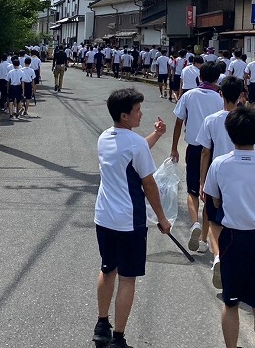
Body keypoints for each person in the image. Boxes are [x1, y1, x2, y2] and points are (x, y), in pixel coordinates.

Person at [93, 88, 171, 348]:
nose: (141, 114)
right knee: (127, 278)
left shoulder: (105, 137)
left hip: (104, 217)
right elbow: (149, 185)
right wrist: (162, 218)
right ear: (124, 116)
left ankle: (102, 324)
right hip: (129, 220)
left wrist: (156, 135)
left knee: (107, 269)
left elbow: (133, 153)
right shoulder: (134, 143)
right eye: (137, 110)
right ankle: (118, 339)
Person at [202, 107, 255, 348]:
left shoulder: (220, 164)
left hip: (232, 239)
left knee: (230, 302)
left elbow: (213, 201)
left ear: (229, 134)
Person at [199, 77, 253, 289]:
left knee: (214, 221)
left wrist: (203, 181)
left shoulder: (211, 120)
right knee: (240, 218)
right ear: (241, 95)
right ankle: (239, 260)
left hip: (218, 173)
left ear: (220, 94)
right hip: (243, 174)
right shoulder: (248, 119)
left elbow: (205, 152)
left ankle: (219, 256)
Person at [170, 61, 224, 254]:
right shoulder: (219, 99)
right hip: (213, 150)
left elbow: (178, 122)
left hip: (194, 148)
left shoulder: (189, 96)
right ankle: (203, 239)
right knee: (209, 194)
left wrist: (174, 147)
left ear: (199, 78)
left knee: (192, 191)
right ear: (217, 78)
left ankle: (194, 224)